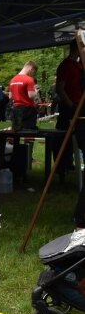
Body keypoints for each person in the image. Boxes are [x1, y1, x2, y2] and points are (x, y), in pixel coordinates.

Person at [55, 39, 85, 229]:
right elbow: (60, 88)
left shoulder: (79, 65)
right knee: (64, 142)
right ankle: (63, 169)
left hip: (80, 109)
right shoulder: (67, 65)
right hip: (72, 109)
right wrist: (70, 105)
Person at [8, 61, 38, 132]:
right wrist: (36, 92)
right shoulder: (29, 79)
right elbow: (31, 95)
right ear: (31, 68)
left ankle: (16, 143)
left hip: (16, 109)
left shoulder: (13, 80)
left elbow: (10, 96)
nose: (32, 74)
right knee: (30, 131)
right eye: (33, 72)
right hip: (28, 109)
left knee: (16, 131)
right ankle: (28, 143)